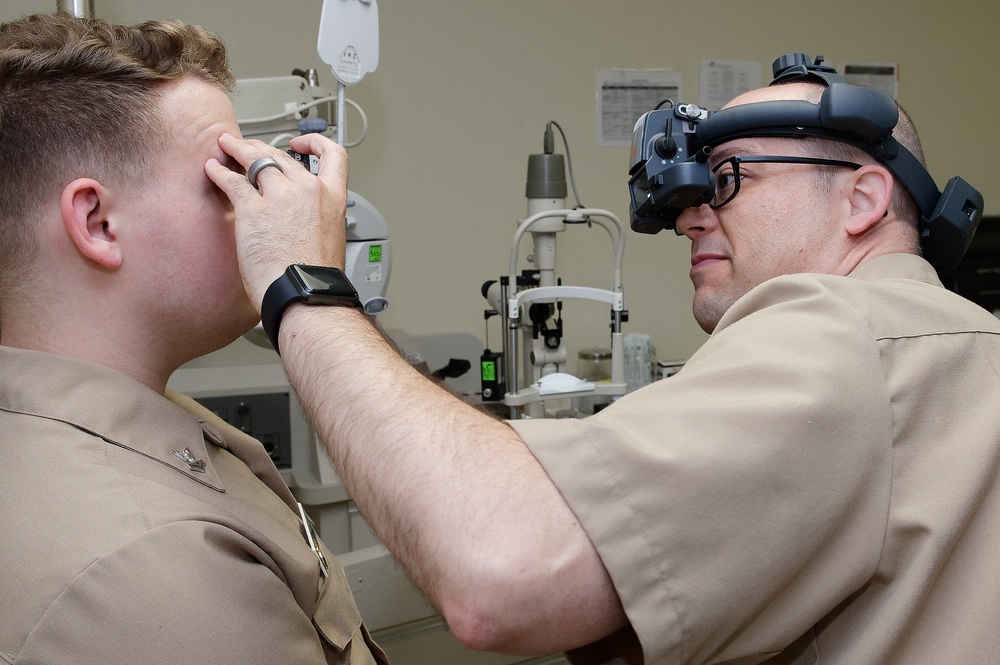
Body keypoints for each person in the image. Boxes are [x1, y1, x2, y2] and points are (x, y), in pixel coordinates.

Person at [209, 58, 1000, 665]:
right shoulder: (962, 341)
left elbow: (500, 568)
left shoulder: (839, 327)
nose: (692, 217)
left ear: (862, 200)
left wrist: (303, 287)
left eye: (726, 179)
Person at [0, 13, 386, 665]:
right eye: (227, 177)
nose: (269, 204)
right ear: (98, 222)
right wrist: (312, 287)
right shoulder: (155, 565)